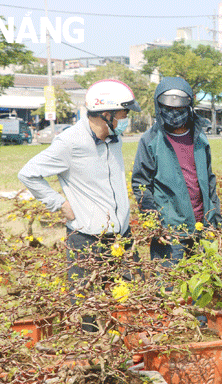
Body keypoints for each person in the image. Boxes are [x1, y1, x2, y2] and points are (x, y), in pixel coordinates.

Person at [18, 79, 141, 329]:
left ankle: (123, 353)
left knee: (125, 299)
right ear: (106, 113)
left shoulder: (113, 138)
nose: (126, 118)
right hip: (86, 237)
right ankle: (92, 355)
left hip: (121, 236)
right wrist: (58, 203)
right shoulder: (70, 142)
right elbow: (28, 173)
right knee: (86, 302)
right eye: (123, 113)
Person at [131, 76, 222, 264]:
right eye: (168, 109)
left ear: (188, 107)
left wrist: (215, 219)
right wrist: (154, 224)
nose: (174, 114)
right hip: (171, 232)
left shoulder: (199, 138)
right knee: (170, 288)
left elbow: (209, 181)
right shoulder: (151, 141)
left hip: (203, 227)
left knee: (203, 287)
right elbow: (141, 184)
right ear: (159, 107)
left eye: (179, 109)